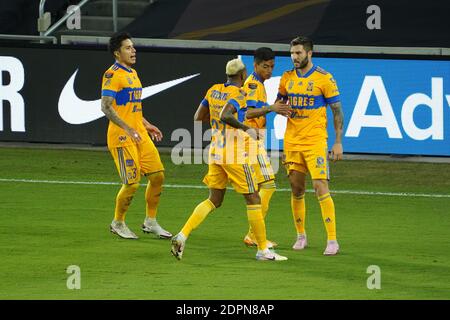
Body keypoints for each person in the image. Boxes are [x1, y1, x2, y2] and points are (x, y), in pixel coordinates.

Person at [171, 58, 287, 261]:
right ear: (242, 75)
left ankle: (182, 235)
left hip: (216, 150)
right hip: (235, 152)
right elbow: (226, 115)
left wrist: (218, 122)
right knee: (253, 198)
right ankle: (262, 250)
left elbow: (198, 117)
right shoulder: (239, 94)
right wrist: (246, 128)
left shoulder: (213, 90)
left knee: (214, 200)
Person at [276, 36, 344, 255]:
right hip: (292, 140)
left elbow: (337, 111)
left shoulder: (325, 78)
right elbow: (280, 103)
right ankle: (301, 236)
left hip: (315, 141)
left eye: (298, 53)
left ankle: (332, 240)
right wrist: (279, 108)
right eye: (292, 53)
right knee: (297, 188)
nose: (294, 57)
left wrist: (338, 142)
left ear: (309, 53)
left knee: (320, 186)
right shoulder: (286, 78)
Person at [100, 32, 172, 240]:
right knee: (132, 183)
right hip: (121, 136)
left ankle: (150, 221)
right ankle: (118, 222)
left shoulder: (132, 73)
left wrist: (146, 125)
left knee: (158, 176)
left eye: (133, 47)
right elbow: (105, 106)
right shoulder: (112, 75)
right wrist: (127, 127)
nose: (133, 50)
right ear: (117, 52)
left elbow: (133, 108)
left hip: (139, 133)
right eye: (128, 48)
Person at [240, 47, 291, 248]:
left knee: (263, 186)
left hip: (254, 141)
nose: (269, 70)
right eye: (265, 66)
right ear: (255, 64)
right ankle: (254, 235)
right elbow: (249, 113)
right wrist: (271, 108)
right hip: (250, 141)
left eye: (272, 66)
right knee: (268, 185)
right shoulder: (253, 84)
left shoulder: (259, 83)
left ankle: (254, 234)